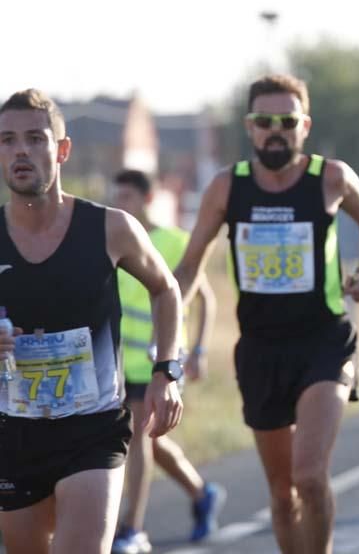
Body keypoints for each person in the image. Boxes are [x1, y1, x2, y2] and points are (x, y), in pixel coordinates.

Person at [173, 74, 359, 554]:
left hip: (324, 341)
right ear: (250, 128)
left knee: (309, 477)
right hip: (260, 350)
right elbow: (188, 267)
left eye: (286, 122)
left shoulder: (330, 177)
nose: (276, 130)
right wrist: (170, 334)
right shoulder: (229, 187)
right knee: (281, 491)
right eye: (264, 121)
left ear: (303, 125)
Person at [0, 89, 184, 554]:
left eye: (35, 139)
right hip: (14, 430)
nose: (20, 150)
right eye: (6, 140)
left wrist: (167, 370)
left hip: (93, 428)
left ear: (61, 150)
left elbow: (166, 289)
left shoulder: (110, 228)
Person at [109, 169, 225, 553]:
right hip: (121, 363)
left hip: (161, 361)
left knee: (139, 438)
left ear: (145, 198)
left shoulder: (173, 241)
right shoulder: (115, 238)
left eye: (127, 196)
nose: (120, 203)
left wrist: (199, 352)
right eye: (117, 196)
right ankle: (201, 492)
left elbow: (204, 297)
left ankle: (132, 528)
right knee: (149, 444)